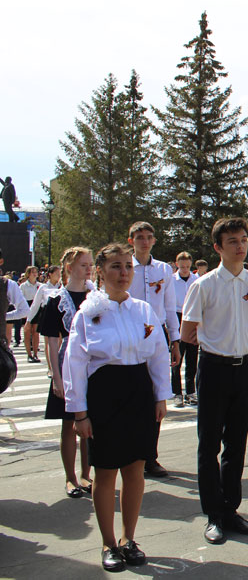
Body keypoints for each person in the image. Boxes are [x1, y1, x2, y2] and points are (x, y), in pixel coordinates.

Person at [64, 243, 172, 572]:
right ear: (100, 270)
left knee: (136, 469)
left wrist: (160, 395)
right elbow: (75, 364)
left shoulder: (143, 310)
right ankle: (109, 543)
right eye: (115, 266)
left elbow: (157, 353)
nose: (123, 273)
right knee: (106, 471)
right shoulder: (89, 312)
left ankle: (129, 538)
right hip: (104, 395)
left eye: (128, 266)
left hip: (138, 392)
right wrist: (79, 413)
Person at [181, 217, 248, 545]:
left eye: (244, 239)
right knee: (209, 443)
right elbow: (187, 333)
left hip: (245, 367)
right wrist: (216, 344)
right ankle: (213, 514)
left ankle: (231, 509)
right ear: (218, 247)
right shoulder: (203, 285)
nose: (241, 245)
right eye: (233, 241)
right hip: (215, 367)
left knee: (237, 442)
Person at [126, 221, 180, 478]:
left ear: (154, 240)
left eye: (148, 237)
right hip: (130, 332)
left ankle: (150, 456)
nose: (144, 242)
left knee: (156, 393)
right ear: (131, 241)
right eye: (139, 237)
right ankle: (129, 452)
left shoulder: (163, 269)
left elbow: (169, 306)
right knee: (132, 392)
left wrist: (175, 339)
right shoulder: (126, 267)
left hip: (156, 333)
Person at [41, 247, 95, 499]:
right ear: (70, 268)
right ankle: (70, 477)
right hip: (66, 366)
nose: (89, 269)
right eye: (83, 265)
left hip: (92, 366)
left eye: (90, 264)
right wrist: (56, 376)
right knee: (68, 424)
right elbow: (52, 341)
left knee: (89, 423)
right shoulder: (56, 300)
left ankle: (86, 473)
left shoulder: (96, 296)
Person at [172, 252, 199, 406]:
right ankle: (176, 392)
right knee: (177, 358)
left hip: (192, 316)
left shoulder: (196, 280)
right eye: (182, 266)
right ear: (177, 265)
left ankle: (190, 391)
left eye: (187, 266)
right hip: (176, 315)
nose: (184, 269)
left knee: (192, 358)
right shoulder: (172, 280)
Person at [27, 265, 62, 368]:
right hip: (48, 314)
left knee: (60, 341)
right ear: (50, 274)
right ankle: (50, 367)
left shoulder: (62, 286)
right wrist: (28, 321)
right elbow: (35, 304)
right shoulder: (43, 287)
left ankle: (58, 364)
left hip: (60, 314)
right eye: (56, 273)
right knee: (49, 342)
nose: (59, 275)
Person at [20, 266, 41, 362]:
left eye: (36, 272)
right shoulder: (23, 286)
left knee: (35, 332)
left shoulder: (40, 285)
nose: (34, 274)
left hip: (37, 308)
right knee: (27, 332)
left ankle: (35, 354)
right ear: (28, 274)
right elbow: (21, 299)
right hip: (27, 307)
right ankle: (29, 354)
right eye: (32, 272)